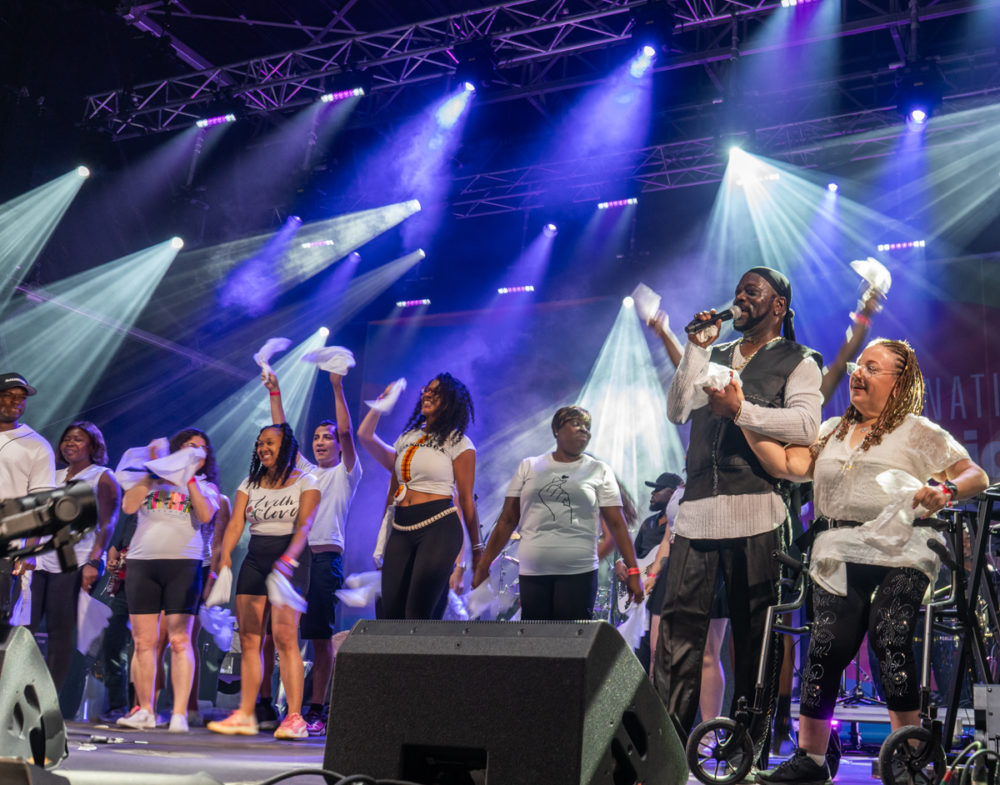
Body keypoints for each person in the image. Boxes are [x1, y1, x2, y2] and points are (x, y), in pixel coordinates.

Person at [747, 339, 989, 785]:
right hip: (839, 547)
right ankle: (811, 759)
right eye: (858, 365)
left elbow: (976, 474)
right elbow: (786, 463)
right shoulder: (832, 430)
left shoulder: (917, 430)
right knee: (826, 644)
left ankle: (909, 756)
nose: (858, 372)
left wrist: (946, 490)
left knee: (888, 631)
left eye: (872, 368)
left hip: (903, 545)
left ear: (899, 382)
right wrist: (740, 413)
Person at [655, 267, 823, 746]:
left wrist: (742, 411)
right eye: (738, 291)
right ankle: (666, 747)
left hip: (757, 510)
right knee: (678, 635)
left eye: (753, 291)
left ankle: (746, 748)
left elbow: (807, 427)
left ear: (778, 306)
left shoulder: (798, 360)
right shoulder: (716, 355)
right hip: (697, 512)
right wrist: (696, 348)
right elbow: (678, 411)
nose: (740, 297)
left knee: (754, 637)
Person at [472, 406, 643, 620]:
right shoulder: (529, 466)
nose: (584, 429)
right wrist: (484, 564)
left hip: (578, 572)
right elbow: (507, 520)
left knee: (569, 636)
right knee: (534, 634)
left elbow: (617, 525)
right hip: (533, 570)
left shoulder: (599, 470)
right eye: (576, 423)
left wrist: (634, 571)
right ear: (556, 430)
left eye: (587, 426)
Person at [263, 367, 361, 736]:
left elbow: (348, 432)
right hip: (296, 562)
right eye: (317, 437)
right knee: (283, 635)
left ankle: (317, 708)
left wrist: (337, 386)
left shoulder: (346, 473)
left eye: (327, 437)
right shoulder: (305, 473)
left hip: (325, 560)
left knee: (320, 636)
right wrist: (275, 392)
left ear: (337, 445)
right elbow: (282, 436)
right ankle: (283, 707)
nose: (320, 442)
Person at [208, 423, 319, 740]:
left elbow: (304, 526)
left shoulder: (306, 481)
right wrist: (225, 556)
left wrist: (288, 560)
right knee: (249, 640)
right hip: (255, 559)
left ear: (287, 447)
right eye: (259, 443)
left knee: (285, 639)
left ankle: (295, 717)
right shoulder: (249, 483)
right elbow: (235, 524)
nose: (263, 447)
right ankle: (246, 713)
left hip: (290, 561)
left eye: (270, 442)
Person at [117, 429, 221, 732]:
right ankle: (145, 710)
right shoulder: (149, 479)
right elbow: (128, 507)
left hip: (183, 565)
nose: (195, 451)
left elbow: (205, 515)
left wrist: (188, 477)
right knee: (143, 642)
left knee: (179, 640)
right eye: (189, 446)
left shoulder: (205, 486)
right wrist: (154, 471)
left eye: (201, 449)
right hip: (142, 563)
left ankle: (179, 714)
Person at [358, 373, 482, 620]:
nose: (427, 394)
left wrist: (477, 551)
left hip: (439, 527)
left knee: (417, 612)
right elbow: (393, 491)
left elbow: (466, 501)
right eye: (427, 389)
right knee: (389, 611)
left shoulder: (459, 443)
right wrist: (384, 537)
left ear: (448, 403)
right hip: (402, 526)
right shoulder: (407, 438)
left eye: (436, 392)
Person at [28, 422, 120, 700]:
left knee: (60, 630)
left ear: (93, 446)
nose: (70, 443)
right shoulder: (52, 475)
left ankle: (52, 698)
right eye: (67, 439)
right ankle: (22, 687)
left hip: (75, 560)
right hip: (40, 559)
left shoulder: (101, 475)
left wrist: (94, 561)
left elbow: (108, 522)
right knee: (26, 626)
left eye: (78, 439)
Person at [0, 373, 56, 620]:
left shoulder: (37, 446)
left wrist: (30, 552)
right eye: (8, 395)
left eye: (21, 398)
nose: (16, 402)